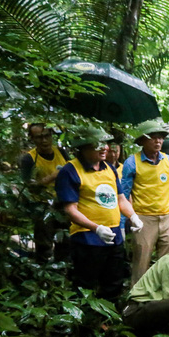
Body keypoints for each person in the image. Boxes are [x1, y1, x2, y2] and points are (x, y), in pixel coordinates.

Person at [55, 126, 143, 304]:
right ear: (84, 146)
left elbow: (121, 200)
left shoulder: (109, 169)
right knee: (85, 284)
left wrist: (133, 216)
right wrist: (96, 228)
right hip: (87, 239)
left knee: (114, 281)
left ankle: (109, 321)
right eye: (98, 144)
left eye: (105, 143)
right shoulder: (70, 171)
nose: (105, 148)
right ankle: (84, 323)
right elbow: (70, 209)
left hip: (114, 237)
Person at [122, 120, 169, 285]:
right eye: (153, 137)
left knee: (168, 261)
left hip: (167, 218)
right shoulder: (132, 162)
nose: (158, 141)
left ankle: (166, 297)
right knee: (141, 261)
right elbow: (123, 195)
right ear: (143, 140)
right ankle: (136, 300)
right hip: (143, 219)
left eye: (161, 138)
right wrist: (123, 223)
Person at [19, 122, 71, 262]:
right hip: (42, 205)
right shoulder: (29, 159)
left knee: (65, 241)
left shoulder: (61, 152)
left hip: (63, 202)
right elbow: (27, 187)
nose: (44, 140)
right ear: (32, 139)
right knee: (44, 244)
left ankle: (62, 271)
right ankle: (43, 274)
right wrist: (50, 178)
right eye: (39, 137)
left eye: (47, 136)